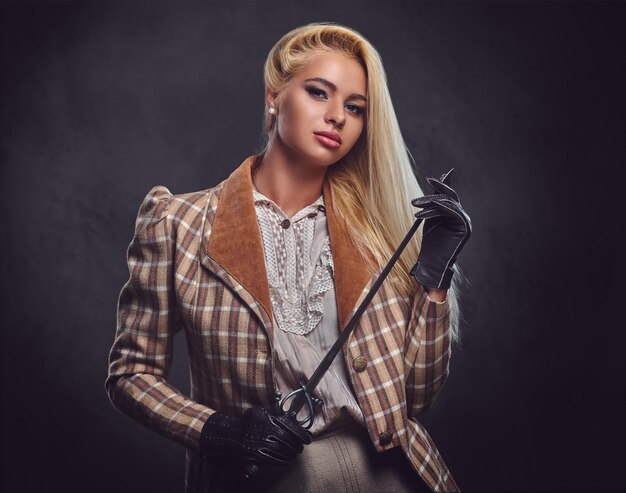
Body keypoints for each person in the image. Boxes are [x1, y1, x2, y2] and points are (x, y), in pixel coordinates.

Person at [105, 22, 471, 493]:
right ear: (274, 96)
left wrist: (434, 279)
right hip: (267, 482)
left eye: (355, 108)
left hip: (387, 476)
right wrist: (218, 432)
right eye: (319, 93)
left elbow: (414, 398)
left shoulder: (378, 232)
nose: (338, 116)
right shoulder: (178, 223)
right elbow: (130, 374)